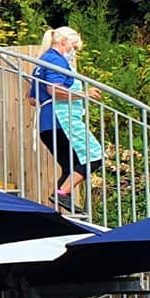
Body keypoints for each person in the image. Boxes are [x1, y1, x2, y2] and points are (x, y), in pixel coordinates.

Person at [27, 26, 96, 206]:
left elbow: (32, 99)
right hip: (62, 121)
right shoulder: (56, 61)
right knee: (94, 157)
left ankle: (58, 199)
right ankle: (63, 193)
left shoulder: (41, 63)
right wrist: (84, 95)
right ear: (64, 42)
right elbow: (55, 90)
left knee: (71, 168)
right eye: (73, 47)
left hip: (46, 124)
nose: (73, 52)